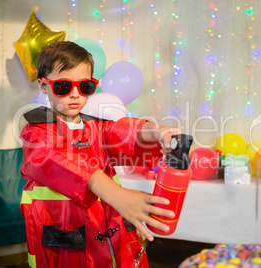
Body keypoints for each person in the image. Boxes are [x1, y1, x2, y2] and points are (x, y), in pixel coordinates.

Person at [19, 41, 181, 268]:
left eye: (84, 86)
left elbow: (124, 131)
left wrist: (157, 131)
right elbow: (57, 159)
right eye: (64, 87)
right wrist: (118, 195)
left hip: (109, 228)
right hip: (65, 234)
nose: (75, 95)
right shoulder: (36, 133)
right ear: (43, 85)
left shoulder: (96, 128)